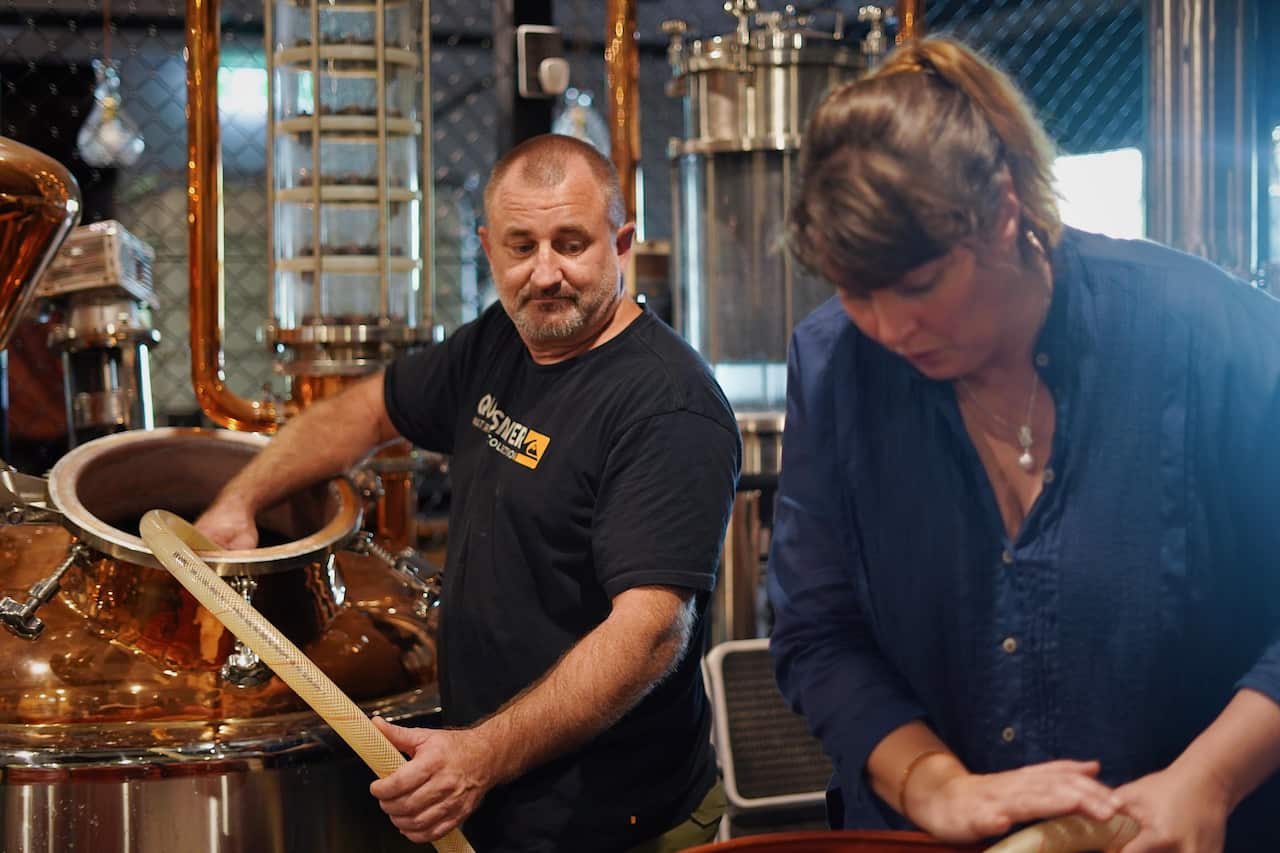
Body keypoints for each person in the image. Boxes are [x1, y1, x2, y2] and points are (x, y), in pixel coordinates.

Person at [768, 35, 1280, 852]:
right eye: (856, 292)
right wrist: (937, 787)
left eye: (919, 285)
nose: (892, 329)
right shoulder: (835, 364)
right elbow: (817, 631)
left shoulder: (1204, 335)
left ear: (1004, 212)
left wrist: (1210, 778)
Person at [197, 133, 741, 852]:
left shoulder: (668, 407)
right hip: (501, 803)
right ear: (489, 248)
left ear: (622, 241)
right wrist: (240, 498)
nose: (545, 273)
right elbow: (369, 408)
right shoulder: (501, 341)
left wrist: (480, 755)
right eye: (522, 246)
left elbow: (648, 635)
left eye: (571, 243)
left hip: (617, 823)